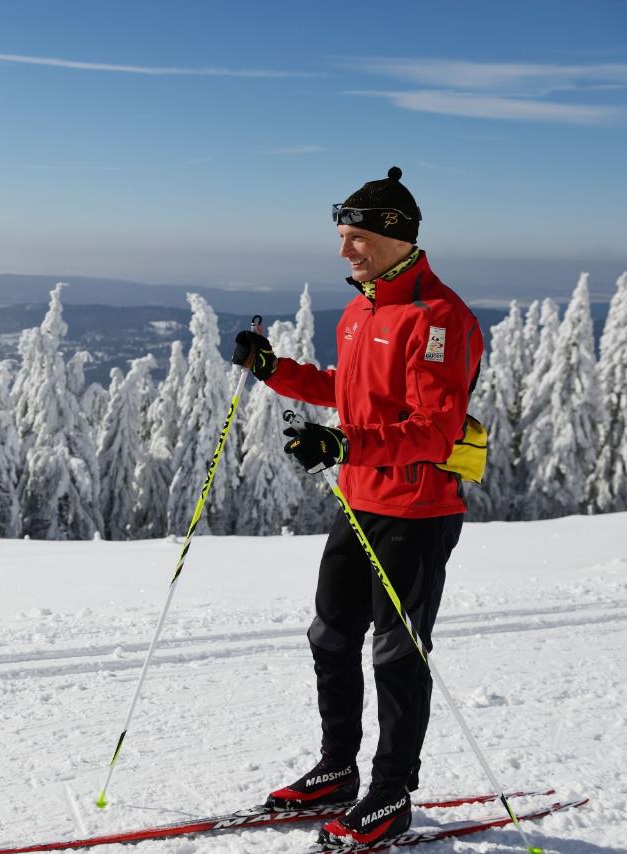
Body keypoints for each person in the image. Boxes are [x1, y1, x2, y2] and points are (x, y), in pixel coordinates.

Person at [232, 168, 484, 847]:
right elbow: (350, 390)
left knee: (397, 653)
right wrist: (273, 370)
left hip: (417, 510)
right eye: (342, 238)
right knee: (330, 636)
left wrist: (342, 442)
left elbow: (434, 428)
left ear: (394, 235)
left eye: (357, 238)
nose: (346, 252)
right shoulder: (361, 309)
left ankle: (391, 796)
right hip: (361, 500)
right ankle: (338, 770)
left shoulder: (438, 317)